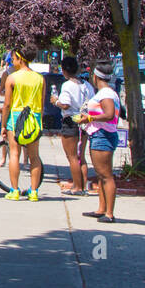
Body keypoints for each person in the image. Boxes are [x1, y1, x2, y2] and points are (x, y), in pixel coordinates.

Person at [79, 60, 121, 222]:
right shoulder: (108, 92)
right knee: (101, 175)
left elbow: (109, 114)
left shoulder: (106, 94)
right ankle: (101, 209)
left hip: (103, 135)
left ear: (96, 76)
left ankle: (109, 213)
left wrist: (89, 118)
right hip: (99, 134)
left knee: (106, 175)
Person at [1, 50, 45, 201]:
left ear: (20, 59)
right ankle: (33, 191)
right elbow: (42, 102)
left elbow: (7, 104)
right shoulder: (40, 79)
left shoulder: (12, 78)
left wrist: (3, 124)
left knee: (14, 154)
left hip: (16, 117)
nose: (12, 62)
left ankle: (14, 190)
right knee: (34, 156)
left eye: (13, 59)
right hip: (34, 117)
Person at [51, 56, 90, 195]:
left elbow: (66, 104)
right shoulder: (86, 84)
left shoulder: (67, 85)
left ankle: (77, 187)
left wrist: (55, 102)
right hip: (84, 120)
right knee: (81, 156)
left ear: (64, 70)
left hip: (70, 120)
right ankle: (83, 185)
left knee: (72, 156)